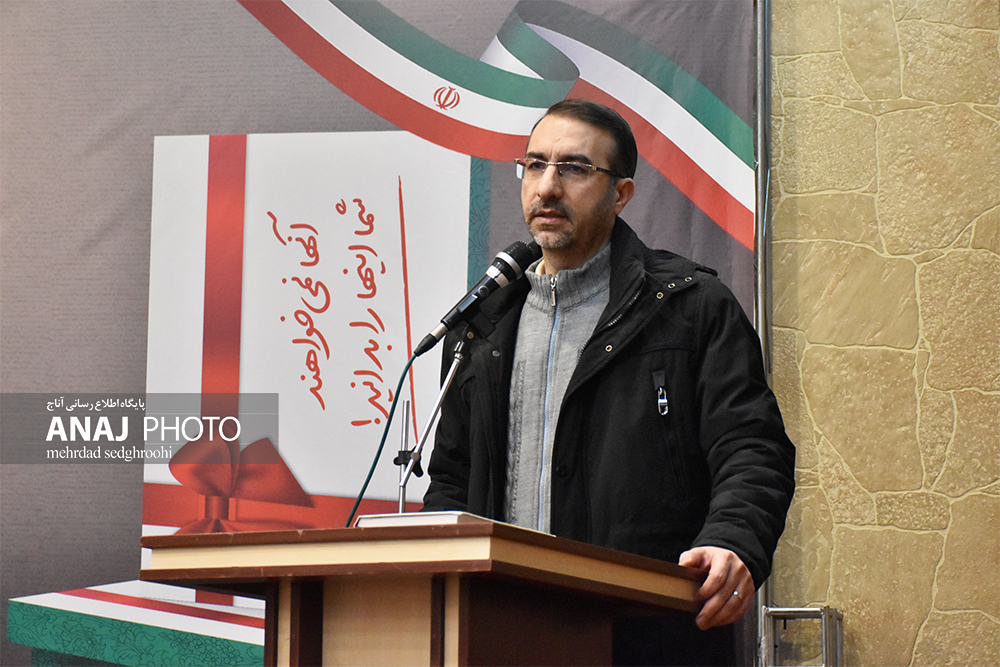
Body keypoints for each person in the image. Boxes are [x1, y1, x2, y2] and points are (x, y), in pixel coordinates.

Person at [423, 99, 795, 666]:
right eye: (535, 165)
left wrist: (733, 539)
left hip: (645, 635)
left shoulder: (690, 308)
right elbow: (452, 479)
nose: (547, 187)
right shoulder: (482, 323)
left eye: (574, 168)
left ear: (621, 194)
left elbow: (752, 448)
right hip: (498, 633)